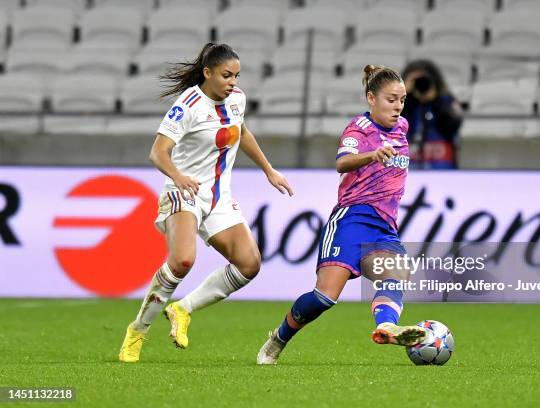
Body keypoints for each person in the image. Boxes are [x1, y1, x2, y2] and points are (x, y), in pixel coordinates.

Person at [119, 43, 293, 363]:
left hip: (217, 197)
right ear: (208, 73)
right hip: (182, 192)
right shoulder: (188, 105)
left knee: (249, 264)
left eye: (236, 76)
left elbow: (240, 131)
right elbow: (158, 152)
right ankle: (138, 331)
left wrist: (268, 170)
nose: (232, 82)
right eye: (226, 75)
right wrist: (179, 176)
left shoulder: (236, 99)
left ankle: (183, 309)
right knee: (183, 260)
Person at [256, 65, 427, 365]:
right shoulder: (358, 129)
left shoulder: (402, 128)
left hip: (384, 227)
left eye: (401, 100)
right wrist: (372, 155)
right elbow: (343, 163)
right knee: (324, 297)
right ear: (371, 98)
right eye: (391, 99)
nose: (398, 107)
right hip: (351, 220)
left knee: (397, 273)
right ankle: (279, 338)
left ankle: (386, 327)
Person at [400, 59, 463, 169]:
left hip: (442, 171)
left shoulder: (446, 101)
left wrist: (435, 100)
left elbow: (452, 126)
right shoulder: (400, 104)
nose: (420, 84)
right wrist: (402, 95)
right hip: (407, 173)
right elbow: (388, 128)